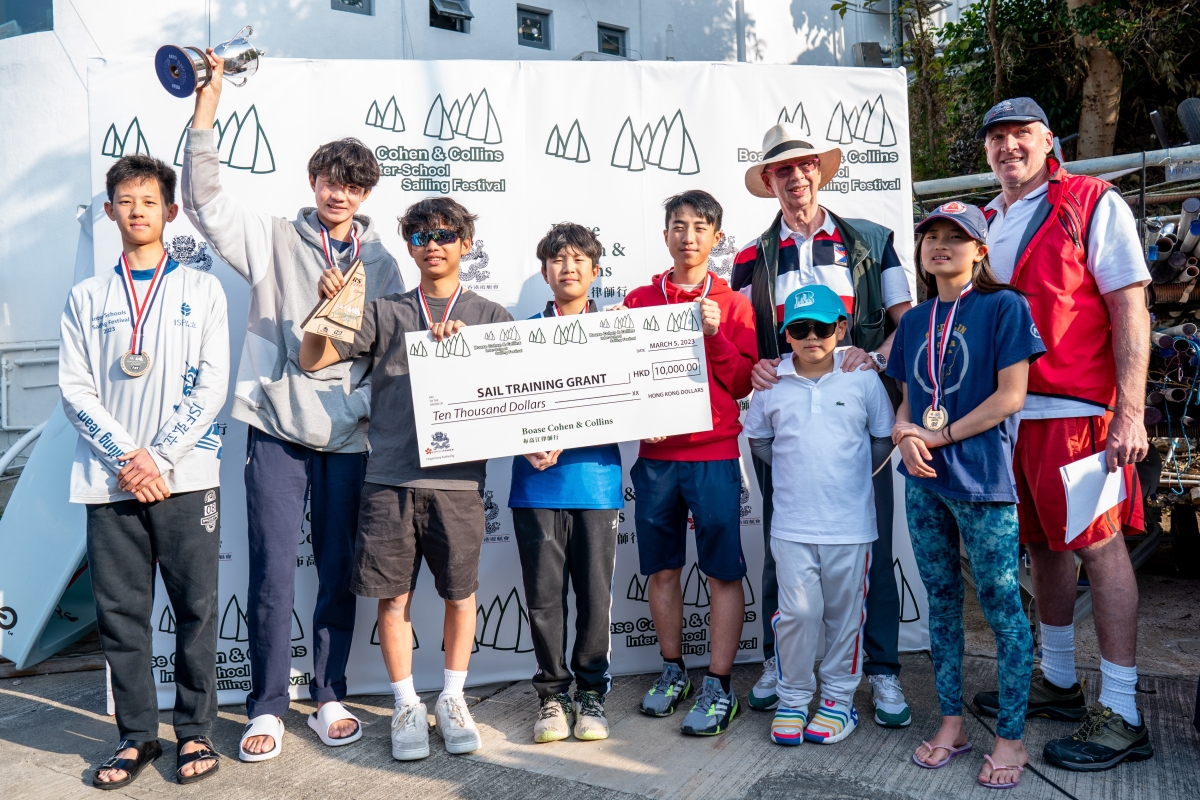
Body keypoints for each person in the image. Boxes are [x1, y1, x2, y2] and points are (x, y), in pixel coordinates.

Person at [181, 51, 403, 760]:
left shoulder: (384, 264)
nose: (340, 194)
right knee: (273, 569)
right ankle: (268, 706)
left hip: (349, 436)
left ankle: (329, 693)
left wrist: (361, 407)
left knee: (337, 570)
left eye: (353, 186)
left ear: (365, 194)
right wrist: (207, 104)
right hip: (276, 428)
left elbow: (390, 355)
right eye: (331, 181)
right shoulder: (275, 238)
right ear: (313, 182)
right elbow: (204, 202)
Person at [968, 98, 1154, 771]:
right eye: (997, 137)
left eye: (1022, 133)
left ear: (1049, 140)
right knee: (1042, 546)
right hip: (1008, 416)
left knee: (1099, 549)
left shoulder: (1092, 201)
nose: (1009, 146)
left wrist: (1129, 411)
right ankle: (1059, 680)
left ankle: (1123, 712)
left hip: (1078, 412)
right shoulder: (985, 219)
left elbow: (1129, 306)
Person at [300, 197, 512, 760]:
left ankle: (453, 698)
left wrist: (473, 355)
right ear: (410, 248)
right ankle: (405, 703)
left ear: (466, 244)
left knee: (460, 596)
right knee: (393, 600)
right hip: (390, 479)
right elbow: (312, 358)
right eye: (420, 236)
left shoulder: (492, 317)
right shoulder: (384, 311)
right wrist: (326, 308)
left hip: (459, 484)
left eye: (444, 234)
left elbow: (515, 400)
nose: (432, 244)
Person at [731, 122, 914, 727]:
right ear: (769, 181)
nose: (796, 177)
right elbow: (743, 342)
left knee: (871, 548)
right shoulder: (749, 257)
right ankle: (779, 665)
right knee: (782, 549)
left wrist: (877, 358)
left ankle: (881, 669)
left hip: (858, 419)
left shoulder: (872, 241)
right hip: (787, 417)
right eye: (782, 169)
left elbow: (906, 323)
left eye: (805, 166)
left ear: (820, 171)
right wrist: (755, 366)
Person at [61, 155, 228, 788]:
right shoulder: (87, 297)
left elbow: (211, 386)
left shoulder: (202, 289)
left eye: (149, 201)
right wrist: (128, 459)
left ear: (171, 211)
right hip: (111, 482)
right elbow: (75, 390)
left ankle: (195, 732)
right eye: (126, 202)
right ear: (110, 212)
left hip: (185, 476)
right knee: (122, 615)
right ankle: (136, 736)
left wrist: (156, 458)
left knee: (196, 609)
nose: (137, 211)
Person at [887, 203, 1043, 789]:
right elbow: (908, 400)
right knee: (942, 602)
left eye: (956, 237)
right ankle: (951, 723)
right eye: (931, 236)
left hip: (981, 481)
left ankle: (1010, 737)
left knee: (1002, 606)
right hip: (924, 482)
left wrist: (939, 435)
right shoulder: (914, 320)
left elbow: (1011, 396)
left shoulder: (1005, 306)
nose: (940, 245)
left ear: (980, 250)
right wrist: (906, 435)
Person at [624, 190, 757, 736]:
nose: (688, 236)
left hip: (713, 454)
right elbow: (623, 380)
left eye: (700, 227)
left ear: (716, 237)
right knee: (662, 569)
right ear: (665, 235)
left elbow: (744, 382)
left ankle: (720, 684)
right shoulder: (638, 300)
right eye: (678, 226)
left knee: (722, 571)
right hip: (656, 458)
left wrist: (715, 335)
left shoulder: (733, 304)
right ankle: (673, 670)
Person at [744, 285, 896, 747]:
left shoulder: (862, 378)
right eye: (800, 328)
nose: (812, 336)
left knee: (845, 619)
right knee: (795, 616)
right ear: (786, 334)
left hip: (850, 527)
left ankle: (837, 701)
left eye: (823, 327)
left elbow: (882, 437)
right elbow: (760, 441)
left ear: (841, 328)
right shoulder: (771, 382)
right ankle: (792, 698)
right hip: (791, 525)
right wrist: (798, 470)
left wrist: (848, 474)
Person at [509, 223, 624, 744]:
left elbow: (634, 399)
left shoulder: (617, 333)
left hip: (596, 484)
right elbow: (498, 407)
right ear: (544, 271)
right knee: (543, 599)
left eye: (579, 259)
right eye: (558, 259)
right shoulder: (519, 336)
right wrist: (522, 439)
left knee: (595, 598)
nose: (568, 267)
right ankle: (552, 696)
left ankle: (592, 692)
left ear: (595, 271)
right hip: (536, 487)